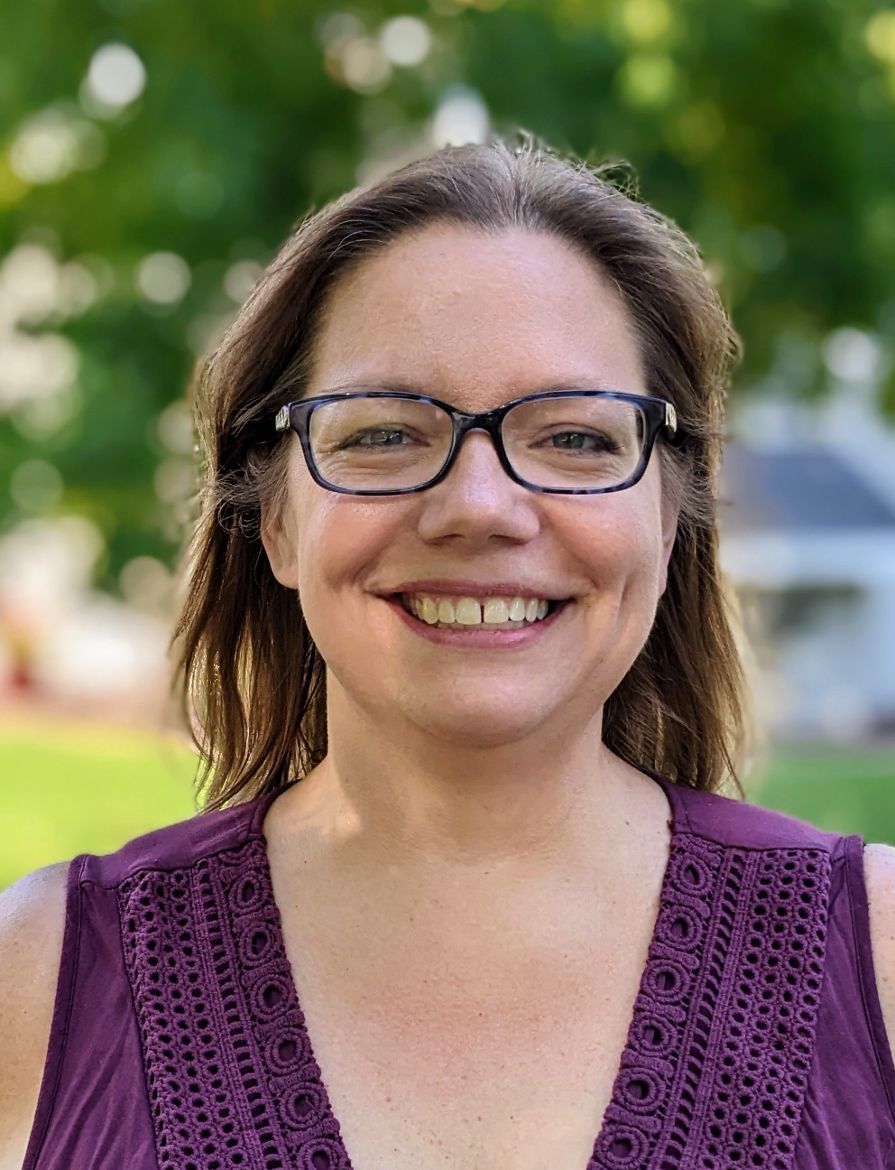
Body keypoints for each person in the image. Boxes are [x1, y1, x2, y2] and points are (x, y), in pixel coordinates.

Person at [2, 136, 894, 1170]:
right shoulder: (39, 980)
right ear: (276, 519)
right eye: (384, 433)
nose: (479, 507)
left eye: (575, 438)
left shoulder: (877, 958)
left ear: (668, 515)